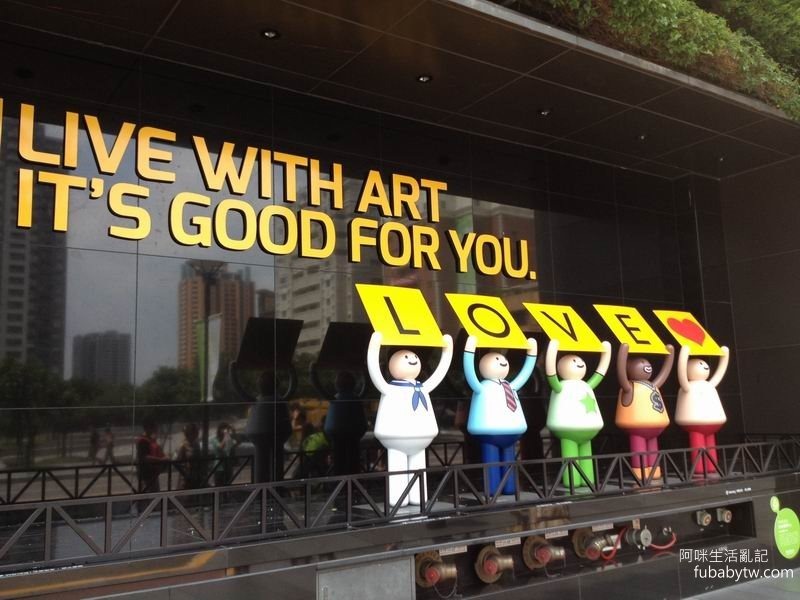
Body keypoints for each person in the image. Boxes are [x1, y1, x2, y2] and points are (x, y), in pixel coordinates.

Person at [135, 416, 168, 494]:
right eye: (154, 427)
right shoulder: (143, 441)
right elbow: (145, 457)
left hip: (152, 473)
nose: (156, 429)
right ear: (148, 427)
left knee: (155, 495)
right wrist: (161, 460)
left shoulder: (150, 439)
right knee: (149, 496)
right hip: (146, 475)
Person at [174, 423, 204, 490]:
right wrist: (185, 473)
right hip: (186, 477)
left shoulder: (196, 444)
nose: (197, 434)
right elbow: (177, 462)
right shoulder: (183, 445)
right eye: (195, 432)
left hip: (197, 476)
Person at [209, 422, 238, 486]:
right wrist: (225, 436)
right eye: (224, 428)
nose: (225, 431)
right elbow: (220, 447)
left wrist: (234, 433)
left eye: (227, 429)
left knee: (228, 486)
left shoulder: (228, 438)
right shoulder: (214, 439)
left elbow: (236, 443)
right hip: (219, 467)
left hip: (228, 466)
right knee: (219, 486)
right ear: (219, 430)